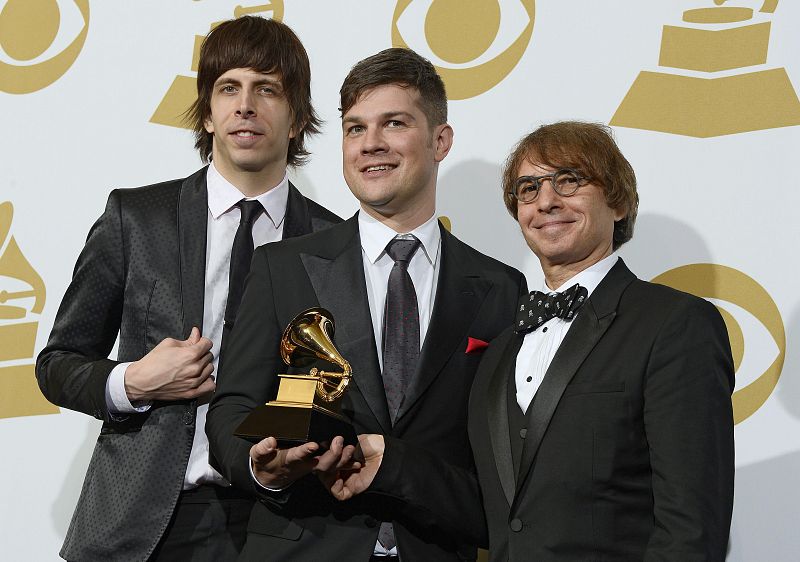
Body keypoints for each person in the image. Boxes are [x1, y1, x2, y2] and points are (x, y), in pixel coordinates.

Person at [324, 121, 735, 561]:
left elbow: (691, 528)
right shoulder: (503, 347)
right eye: (528, 188)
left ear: (617, 202)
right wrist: (392, 465)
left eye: (569, 181)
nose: (546, 201)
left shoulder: (674, 324)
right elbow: (494, 511)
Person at [36, 16, 340, 562]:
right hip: (144, 517)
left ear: (297, 117)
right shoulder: (137, 218)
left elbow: (334, 383)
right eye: (229, 88)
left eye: (267, 88)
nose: (245, 105)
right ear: (208, 110)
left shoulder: (333, 244)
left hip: (282, 522)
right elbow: (57, 363)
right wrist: (134, 382)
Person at [206, 47, 526, 562]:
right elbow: (233, 407)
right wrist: (258, 466)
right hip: (303, 544)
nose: (371, 144)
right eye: (355, 129)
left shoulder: (499, 286)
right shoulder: (282, 267)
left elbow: (502, 464)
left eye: (393, 123)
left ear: (440, 140)